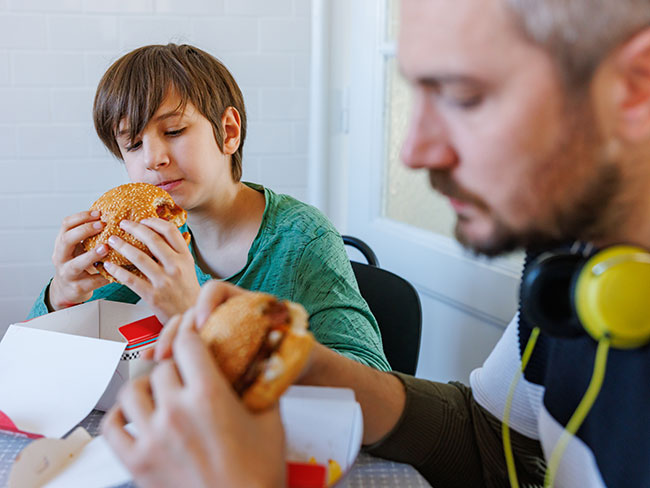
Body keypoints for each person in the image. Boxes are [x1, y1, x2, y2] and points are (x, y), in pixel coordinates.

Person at [102, 1, 650, 487]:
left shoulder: (298, 234)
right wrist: (307, 364)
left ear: (635, 84)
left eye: (462, 95)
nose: (412, 150)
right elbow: (487, 440)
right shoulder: (572, 272)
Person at [26, 43, 389, 372]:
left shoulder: (301, 239)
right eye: (134, 144)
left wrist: (195, 313)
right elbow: (30, 364)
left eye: (173, 132)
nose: (154, 159)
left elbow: (372, 377)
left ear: (228, 132)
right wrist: (62, 295)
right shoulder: (142, 242)